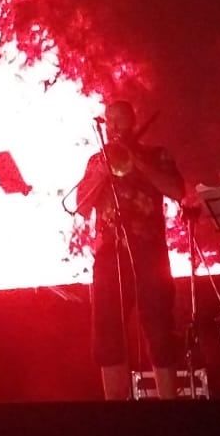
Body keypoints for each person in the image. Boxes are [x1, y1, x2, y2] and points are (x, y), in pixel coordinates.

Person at [76, 100, 185, 400]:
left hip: (151, 255)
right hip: (110, 256)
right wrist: (99, 176)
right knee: (108, 335)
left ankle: (169, 406)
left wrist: (138, 163)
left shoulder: (157, 154)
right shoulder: (97, 159)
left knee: (160, 331)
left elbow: (177, 191)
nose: (114, 128)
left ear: (133, 122)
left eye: (120, 122)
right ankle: (116, 411)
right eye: (110, 122)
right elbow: (81, 208)